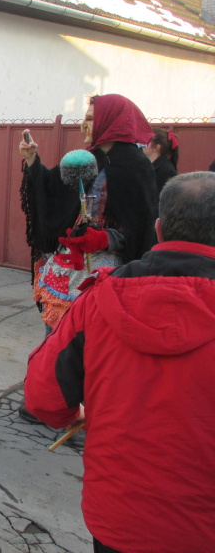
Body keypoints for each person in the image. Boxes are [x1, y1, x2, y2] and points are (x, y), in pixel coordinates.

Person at [24, 171, 215, 553]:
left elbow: (43, 397)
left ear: (159, 229)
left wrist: (74, 414)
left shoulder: (96, 300)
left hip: (118, 517)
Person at [19, 94, 158, 332]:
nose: (84, 124)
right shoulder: (86, 160)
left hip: (108, 271)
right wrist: (31, 159)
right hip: (71, 265)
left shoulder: (135, 166)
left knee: (89, 336)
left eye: (92, 118)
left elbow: (141, 226)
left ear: (111, 121)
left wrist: (105, 238)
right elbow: (53, 188)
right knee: (57, 334)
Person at [143, 127, 179, 193]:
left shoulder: (166, 171)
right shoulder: (148, 166)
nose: (142, 144)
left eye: (146, 141)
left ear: (157, 147)